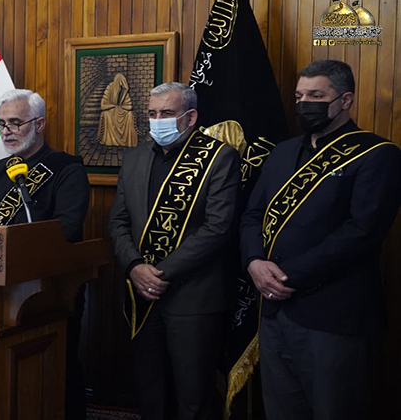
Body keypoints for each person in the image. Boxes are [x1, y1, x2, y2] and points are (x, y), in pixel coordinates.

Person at [241, 59, 401, 420]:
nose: (304, 104)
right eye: (299, 96)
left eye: (315, 96)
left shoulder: (377, 154)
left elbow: (362, 232)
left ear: (345, 100)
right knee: (281, 410)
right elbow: (252, 214)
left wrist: (286, 276)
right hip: (273, 310)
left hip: (333, 315)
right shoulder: (282, 152)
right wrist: (254, 262)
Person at [108, 82, 241, 420]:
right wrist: (134, 267)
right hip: (141, 295)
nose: (158, 121)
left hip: (194, 297)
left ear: (190, 117)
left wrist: (158, 273)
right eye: (152, 114)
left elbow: (217, 228)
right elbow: (118, 221)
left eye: (166, 113)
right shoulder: (135, 157)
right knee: (150, 389)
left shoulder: (219, 158)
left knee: (193, 394)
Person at [0, 89, 90, 419]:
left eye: (15, 123)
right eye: (2, 123)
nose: (6, 131)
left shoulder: (66, 169)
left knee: (56, 371)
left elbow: (67, 228)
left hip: (47, 290)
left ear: (39, 124)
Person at [97, 73, 138, 147]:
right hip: (111, 112)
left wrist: (119, 108)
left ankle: (127, 141)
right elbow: (103, 106)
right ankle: (110, 140)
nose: (121, 86)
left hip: (122, 113)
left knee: (129, 115)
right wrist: (113, 106)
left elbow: (129, 106)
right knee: (106, 114)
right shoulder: (110, 88)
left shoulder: (124, 92)